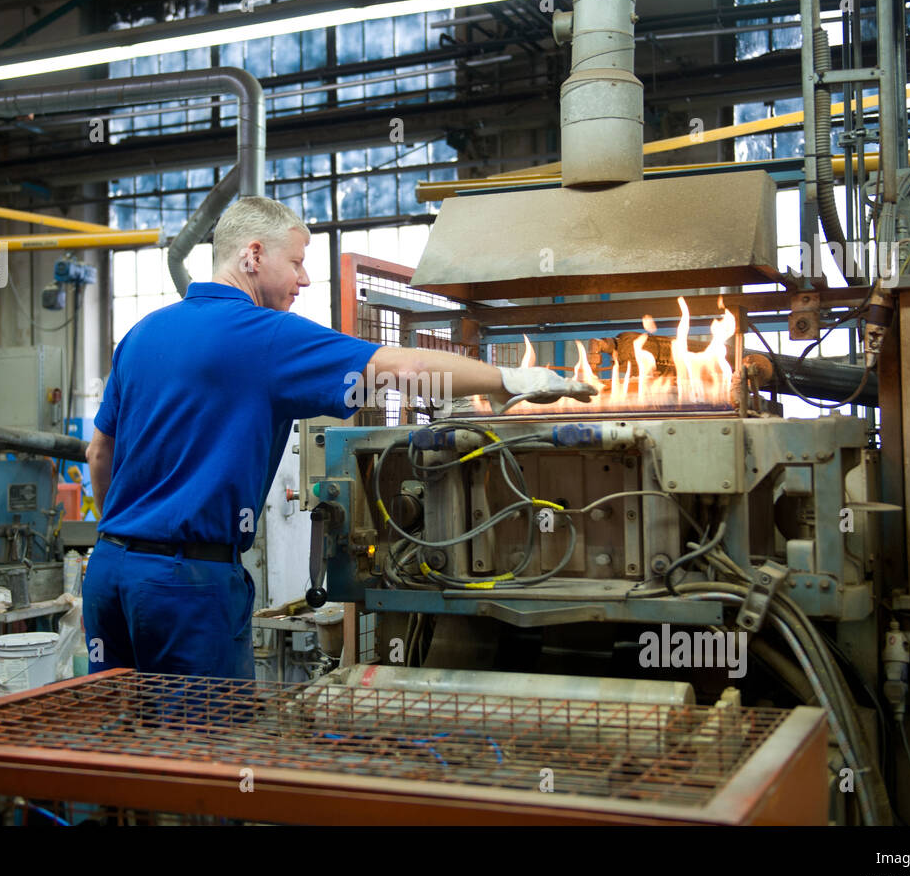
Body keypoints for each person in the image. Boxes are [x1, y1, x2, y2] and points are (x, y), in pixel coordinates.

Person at [82, 196, 593, 678]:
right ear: (254, 256)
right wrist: (509, 381)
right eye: (298, 262)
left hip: (109, 575)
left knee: (117, 738)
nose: (304, 279)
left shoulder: (142, 333)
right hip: (186, 587)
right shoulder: (264, 335)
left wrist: (121, 537)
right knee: (205, 751)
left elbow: (98, 451)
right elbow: (403, 367)